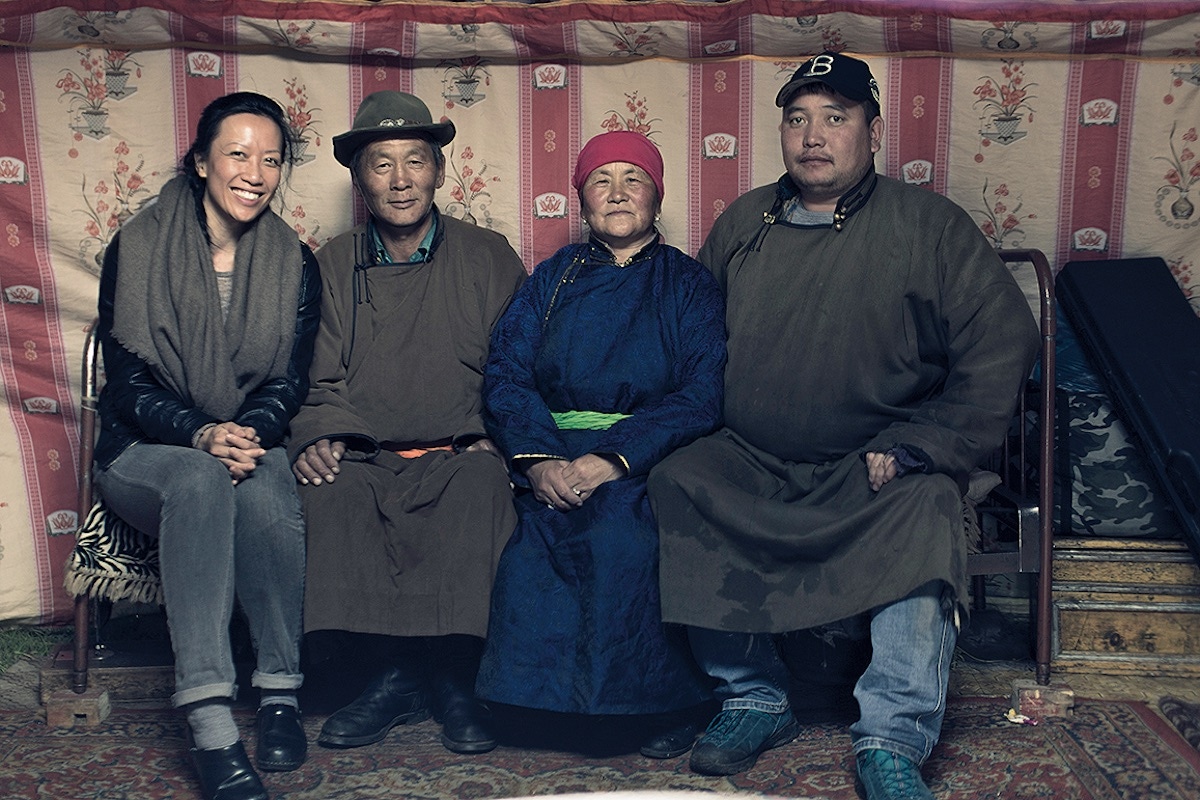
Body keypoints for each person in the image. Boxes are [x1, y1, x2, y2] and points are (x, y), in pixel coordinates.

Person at [647, 52, 1040, 799]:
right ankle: (753, 695)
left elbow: (1003, 341)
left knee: (928, 508)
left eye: (835, 117)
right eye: (798, 119)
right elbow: (688, 340)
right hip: (753, 457)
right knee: (678, 478)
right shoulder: (744, 223)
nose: (813, 136)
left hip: (876, 462)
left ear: (874, 130)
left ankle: (892, 736)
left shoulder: (928, 224)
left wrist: (923, 443)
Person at [94, 91, 321, 800]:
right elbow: (126, 386)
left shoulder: (295, 261)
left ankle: (280, 693)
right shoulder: (136, 245)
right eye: (237, 153)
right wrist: (200, 433)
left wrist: (242, 435)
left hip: (246, 439)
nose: (255, 172)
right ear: (200, 162)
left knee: (266, 488)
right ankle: (212, 722)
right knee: (197, 479)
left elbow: (290, 379)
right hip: (144, 451)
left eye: (271, 159)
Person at [288, 91, 526, 756]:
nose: (400, 180)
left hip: (460, 450)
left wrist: (497, 433)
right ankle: (391, 678)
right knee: (331, 492)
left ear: (439, 172)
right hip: (367, 453)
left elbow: (521, 364)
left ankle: (453, 680)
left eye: (415, 162)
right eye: (381, 165)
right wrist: (320, 435)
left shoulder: (487, 255)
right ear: (359, 179)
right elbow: (314, 374)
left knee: (480, 488)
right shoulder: (332, 262)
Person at [475, 131, 726, 755]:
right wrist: (537, 462)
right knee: (531, 543)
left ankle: (649, 710)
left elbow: (701, 392)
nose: (617, 193)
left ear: (657, 197)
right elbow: (506, 373)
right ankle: (534, 711)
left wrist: (612, 459)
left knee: (623, 535)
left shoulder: (688, 284)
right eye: (601, 181)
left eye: (632, 180)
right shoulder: (549, 281)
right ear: (581, 200)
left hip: (644, 456)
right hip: (550, 453)